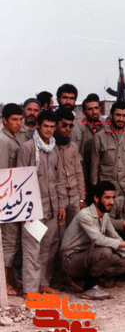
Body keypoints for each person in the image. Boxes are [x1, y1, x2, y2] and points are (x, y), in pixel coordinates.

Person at [60, 181, 125, 300]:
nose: (111, 202)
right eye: (107, 198)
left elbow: (114, 236)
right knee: (105, 251)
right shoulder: (85, 214)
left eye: (113, 197)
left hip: (88, 256)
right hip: (71, 260)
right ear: (96, 198)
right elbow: (98, 239)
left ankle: (89, 281)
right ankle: (88, 288)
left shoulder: (104, 215)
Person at [17, 110, 63, 295]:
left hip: (51, 207)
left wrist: (61, 205)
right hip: (33, 208)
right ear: (38, 125)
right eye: (46, 126)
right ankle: (30, 290)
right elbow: (21, 179)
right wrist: (26, 210)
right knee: (32, 249)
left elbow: (59, 179)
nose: (49, 130)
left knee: (47, 248)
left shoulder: (54, 148)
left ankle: (43, 284)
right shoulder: (27, 148)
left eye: (52, 127)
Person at [90, 101, 125, 196]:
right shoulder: (99, 137)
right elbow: (94, 166)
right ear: (111, 115)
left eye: (124, 116)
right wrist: (95, 188)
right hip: (107, 190)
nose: (121, 119)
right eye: (118, 115)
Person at [0, 103, 24, 295]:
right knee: (8, 240)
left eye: (20, 119)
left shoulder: (13, 138)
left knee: (13, 240)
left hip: (14, 194)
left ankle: (10, 279)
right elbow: (2, 172)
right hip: (6, 196)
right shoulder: (3, 141)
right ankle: (4, 284)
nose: (18, 123)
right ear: (4, 121)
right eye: (14, 120)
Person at [54, 108, 86, 227]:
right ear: (56, 124)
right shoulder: (49, 147)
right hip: (58, 196)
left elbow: (78, 173)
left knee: (74, 231)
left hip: (74, 195)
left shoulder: (73, 146)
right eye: (64, 125)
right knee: (59, 230)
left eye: (70, 126)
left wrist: (81, 199)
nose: (67, 129)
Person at [75, 94, 106, 188]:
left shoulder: (106, 127)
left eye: (96, 108)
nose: (94, 112)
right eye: (90, 109)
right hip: (87, 176)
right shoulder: (79, 129)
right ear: (83, 112)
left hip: (104, 176)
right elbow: (78, 158)